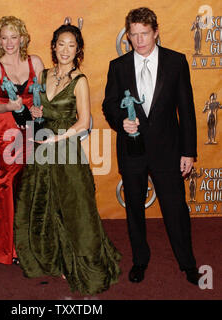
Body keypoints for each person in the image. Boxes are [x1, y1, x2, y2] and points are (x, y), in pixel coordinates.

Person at [14, 24, 121, 296]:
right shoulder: (43, 74)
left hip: (65, 149)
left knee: (74, 207)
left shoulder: (80, 80)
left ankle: (81, 261)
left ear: (78, 49)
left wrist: (56, 139)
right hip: (42, 149)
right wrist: (37, 112)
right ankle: (55, 260)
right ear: (53, 46)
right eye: (61, 44)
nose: (65, 50)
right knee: (45, 204)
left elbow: (84, 122)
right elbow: (39, 111)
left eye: (71, 45)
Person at [102, 7, 200, 285]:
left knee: (176, 208)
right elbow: (109, 104)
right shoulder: (117, 66)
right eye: (133, 35)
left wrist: (188, 151)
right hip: (131, 151)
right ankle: (140, 261)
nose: (139, 40)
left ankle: (188, 262)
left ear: (156, 32)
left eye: (144, 33)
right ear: (128, 35)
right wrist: (122, 120)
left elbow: (187, 110)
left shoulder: (176, 61)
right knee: (134, 208)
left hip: (168, 150)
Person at [0, 16, 44, 265]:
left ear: (22, 38)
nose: (9, 42)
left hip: (33, 129)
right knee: (10, 183)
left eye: (14, 37)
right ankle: (9, 248)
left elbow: (43, 95)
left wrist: (40, 109)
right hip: (7, 130)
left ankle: (35, 243)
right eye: (5, 37)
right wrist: (11, 104)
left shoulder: (36, 62)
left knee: (34, 183)